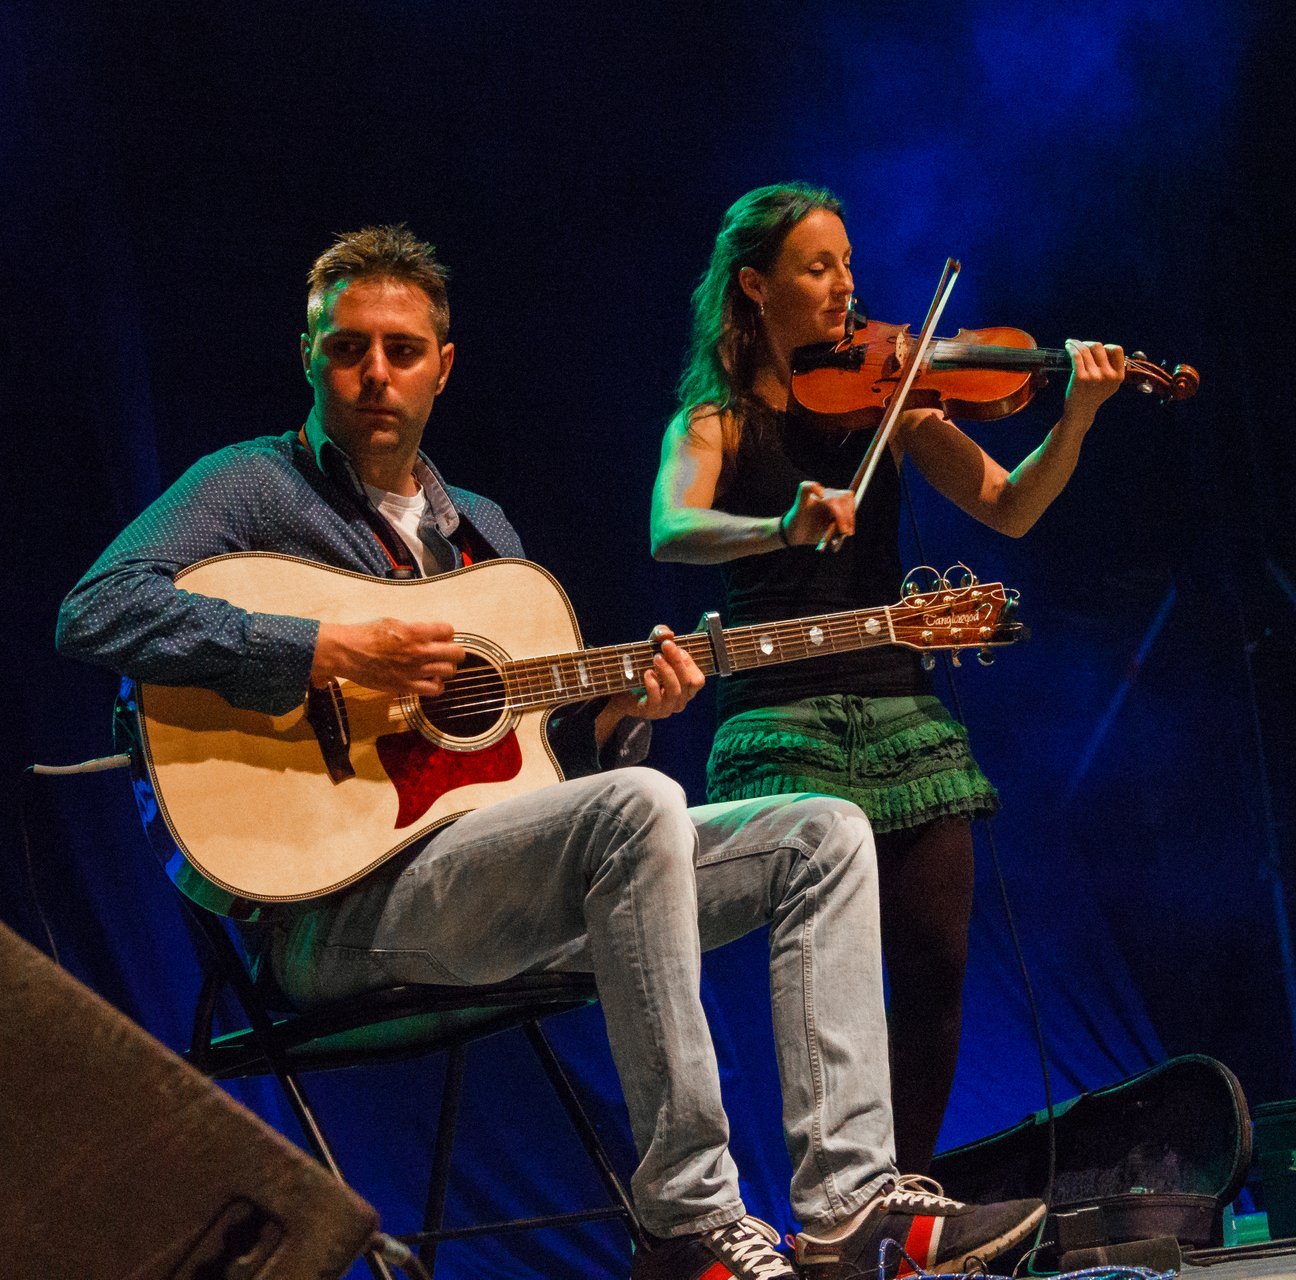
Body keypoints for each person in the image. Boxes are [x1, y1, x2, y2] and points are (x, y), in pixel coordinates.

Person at [56, 225, 1043, 1280]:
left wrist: (621, 717)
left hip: (477, 882)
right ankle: (688, 1221)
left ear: (445, 365)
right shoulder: (250, 487)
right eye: (347, 347)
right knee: (635, 807)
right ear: (310, 355)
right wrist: (319, 647)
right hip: (330, 917)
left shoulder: (479, 529)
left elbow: (534, 760)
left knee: (824, 829)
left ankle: (847, 1206)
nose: (374, 372)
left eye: (400, 348)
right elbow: (95, 611)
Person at [650, 183, 1128, 1172]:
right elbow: (672, 528)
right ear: (754, 285)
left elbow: (1010, 504)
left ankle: (902, 1189)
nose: (845, 289)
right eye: (818, 267)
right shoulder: (715, 423)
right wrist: (781, 525)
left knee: (937, 959)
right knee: (836, 972)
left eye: (849, 266)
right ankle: (842, 1189)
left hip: (900, 704)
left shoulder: (894, 403)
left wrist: (1077, 415)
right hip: (780, 714)